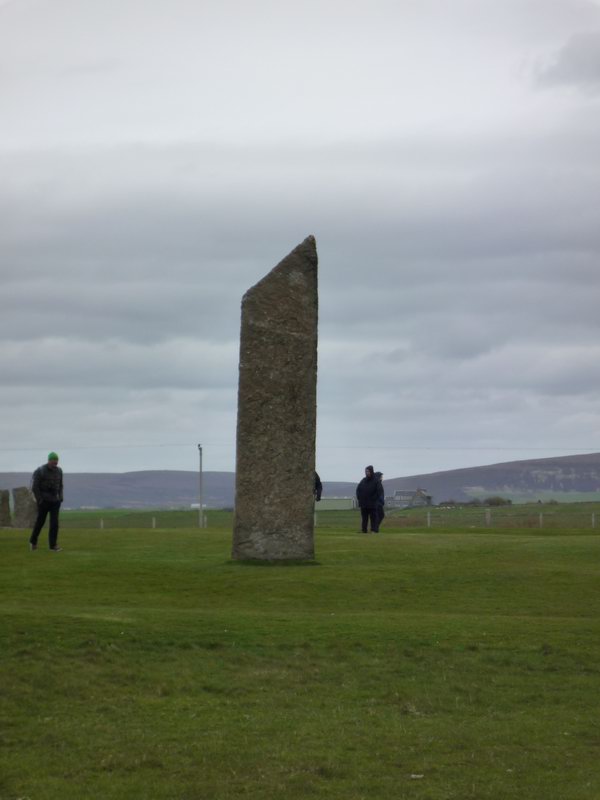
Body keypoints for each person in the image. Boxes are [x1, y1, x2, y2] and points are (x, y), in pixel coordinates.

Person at [29, 452, 64, 552]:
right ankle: (33, 541)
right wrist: (40, 500)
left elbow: (61, 485)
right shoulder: (41, 471)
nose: (55, 463)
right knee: (40, 522)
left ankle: (53, 545)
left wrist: (60, 497)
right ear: (49, 460)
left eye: (57, 461)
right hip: (44, 501)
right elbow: (35, 487)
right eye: (54, 461)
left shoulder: (59, 471)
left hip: (55, 501)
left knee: (54, 523)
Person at [356, 465, 383, 533]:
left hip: (372, 503)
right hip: (363, 503)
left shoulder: (376, 481)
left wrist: (374, 499)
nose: (367, 473)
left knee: (373, 517)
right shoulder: (363, 480)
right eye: (366, 471)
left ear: (371, 471)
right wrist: (359, 497)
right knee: (364, 518)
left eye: (368, 471)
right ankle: (364, 530)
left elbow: (379, 491)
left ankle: (373, 530)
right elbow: (358, 489)